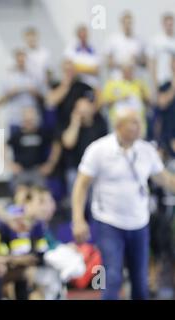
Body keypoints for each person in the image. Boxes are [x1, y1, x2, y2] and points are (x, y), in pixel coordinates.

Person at [72, 108, 175, 300]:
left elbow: (165, 179)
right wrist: (78, 219)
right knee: (111, 276)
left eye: (140, 122)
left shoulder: (146, 150)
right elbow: (81, 185)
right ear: (118, 125)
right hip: (108, 222)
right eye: (133, 122)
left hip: (139, 223)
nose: (138, 127)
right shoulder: (99, 149)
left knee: (140, 281)